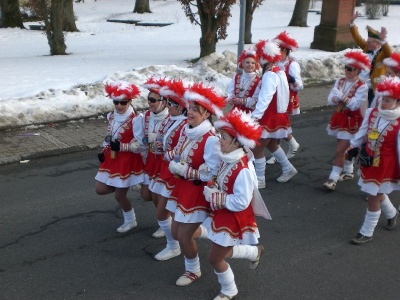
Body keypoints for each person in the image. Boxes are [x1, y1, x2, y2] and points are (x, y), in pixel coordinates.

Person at [203, 108, 271, 300]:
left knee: (215, 257)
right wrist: (212, 187)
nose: (219, 140)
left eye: (223, 137)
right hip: (223, 212)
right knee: (220, 250)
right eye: (220, 135)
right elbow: (219, 180)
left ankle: (229, 290)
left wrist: (218, 197)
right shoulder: (227, 159)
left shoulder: (242, 170)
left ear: (235, 143)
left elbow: (242, 202)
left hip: (234, 216)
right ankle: (253, 251)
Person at [165, 82, 225, 286]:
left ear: (207, 114)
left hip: (197, 191)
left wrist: (183, 170)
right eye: (189, 107)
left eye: (195, 109)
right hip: (181, 188)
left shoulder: (210, 139)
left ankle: (193, 270)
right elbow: (180, 151)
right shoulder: (186, 128)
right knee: (175, 232)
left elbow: (210, 171)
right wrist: (172, 157)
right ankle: (204, 231)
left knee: (182, 236)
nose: (189, 112)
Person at [347, 77, 400, 245]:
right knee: (375, 192)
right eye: (382, 99)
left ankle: (367, 232)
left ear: (398, 101)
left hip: (385, 164)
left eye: (388, 100)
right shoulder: (372, 113)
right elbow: (363, 132)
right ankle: (391, 214)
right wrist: (353, 145)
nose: (383, 103)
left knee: (372, 196)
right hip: (368, 159)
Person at [95, 81, 144, 233]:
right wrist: (104, 150)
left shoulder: (136, 119)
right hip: (112, 158)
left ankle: (130, 220)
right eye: (116, 102)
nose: (119, 106)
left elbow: (141, 145)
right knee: (100, 189)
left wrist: (123, 146)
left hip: (128, 160)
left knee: (119, 195)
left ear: (130, 101)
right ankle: (126, 184)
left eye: (123, 102)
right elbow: (109, 137)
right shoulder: (111, 116)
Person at [150, 79, 188, 261]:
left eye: (171, 103)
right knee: (163, 209)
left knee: (166, 210)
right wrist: (158, 146)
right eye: (166, 102)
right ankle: (175, 243)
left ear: (181, 107)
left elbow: (183, 149)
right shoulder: (169, 119)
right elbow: (162, 140)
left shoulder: (185, 125)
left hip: (174, 172)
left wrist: (167, 152)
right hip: (164, 168)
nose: (167, 105)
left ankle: (175, 245)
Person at [251, 39, 297, 187]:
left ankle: (260, 179)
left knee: (257, 148)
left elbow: (265, 97)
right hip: (277, 114)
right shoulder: (279, 71)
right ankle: (288, 168)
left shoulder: (270, 74)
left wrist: (256, 116)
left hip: (268, 116)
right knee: (271, 145)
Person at [323, 51, 370, 191]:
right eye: (346, 68)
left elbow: (355, 104)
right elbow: (330, 99)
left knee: (340, 150)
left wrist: (342, 97)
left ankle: (333, 179)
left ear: (358, 71)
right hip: (340, 117)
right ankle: (349, 172)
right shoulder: (340, 81)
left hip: (352, 120)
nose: (346, 71)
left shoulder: (362, 86)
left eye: (350, 69)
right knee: (342, 148)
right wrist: (334, 98)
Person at [135, 77, 169, 238]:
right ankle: (166, 217)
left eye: (153, 100)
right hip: (151, 159)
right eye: (148, 99)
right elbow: (141, 138)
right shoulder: (146, 116)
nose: (149, 102)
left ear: (163, 101)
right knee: (146, 195)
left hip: (164, 162)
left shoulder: (170, 118)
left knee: (157, 196)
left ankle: (165, 224)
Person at [266, 31, 303, 165]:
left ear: (286, 51)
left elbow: (299, 86)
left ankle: (290, 145)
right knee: (277, 127)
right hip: (274, 98)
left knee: (278, 126)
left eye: (280, 50)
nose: (277, 53)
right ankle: (281, 150)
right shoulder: (274, 63)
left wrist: (291, 81)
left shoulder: (292, 65)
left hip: (286, 100)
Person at [350, 11, 392, 107]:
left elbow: (390, 53)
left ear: (377, 43)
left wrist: (383, 41)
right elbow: (357, 38)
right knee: (356, 107)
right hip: (360, 84)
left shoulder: (382, 53)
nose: (367, 43)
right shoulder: (366, 47)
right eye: (368, 41)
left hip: (373, 87)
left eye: (370, 42)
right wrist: (352, 23)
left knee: (369, 109)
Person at [226, 48, 261, 113]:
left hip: (249, 113)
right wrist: (230, 98)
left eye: (253, 63)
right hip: (235, 111)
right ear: (243, 63)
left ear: (256, 65)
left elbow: (256, 100)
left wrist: (242, 101)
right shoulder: (236, 77)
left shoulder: (258, 81)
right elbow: (230, 92)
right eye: (247, 62)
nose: (250, 65)